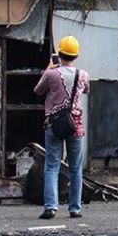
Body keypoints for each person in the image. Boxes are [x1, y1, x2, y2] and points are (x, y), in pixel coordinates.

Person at [33, 35, 89, 220]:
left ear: (60, 54)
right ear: (76, 55)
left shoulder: (51, 74)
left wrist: (49, 68)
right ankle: (75, 208)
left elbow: (38, 91)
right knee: (75, 167)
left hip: (54, 124)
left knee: (52, 166)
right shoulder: (83, 74)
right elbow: (86, 90)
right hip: (76, 125)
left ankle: (51, 207)